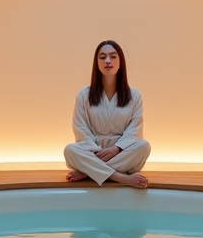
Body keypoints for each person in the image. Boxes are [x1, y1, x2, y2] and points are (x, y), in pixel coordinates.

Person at [64, 40, 150, 188]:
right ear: (96, 63)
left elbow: (134, 130)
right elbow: (81, 129)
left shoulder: (134, 95)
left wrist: (116, 149)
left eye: (113, 57)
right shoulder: (84, 94)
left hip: (121, 152)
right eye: (102, 57)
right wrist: (97, 152)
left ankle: (88, 172)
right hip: (93, 151)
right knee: (70, 150)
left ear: (120, 62)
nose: (108, 61)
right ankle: (121, 178)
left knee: (143, 146)